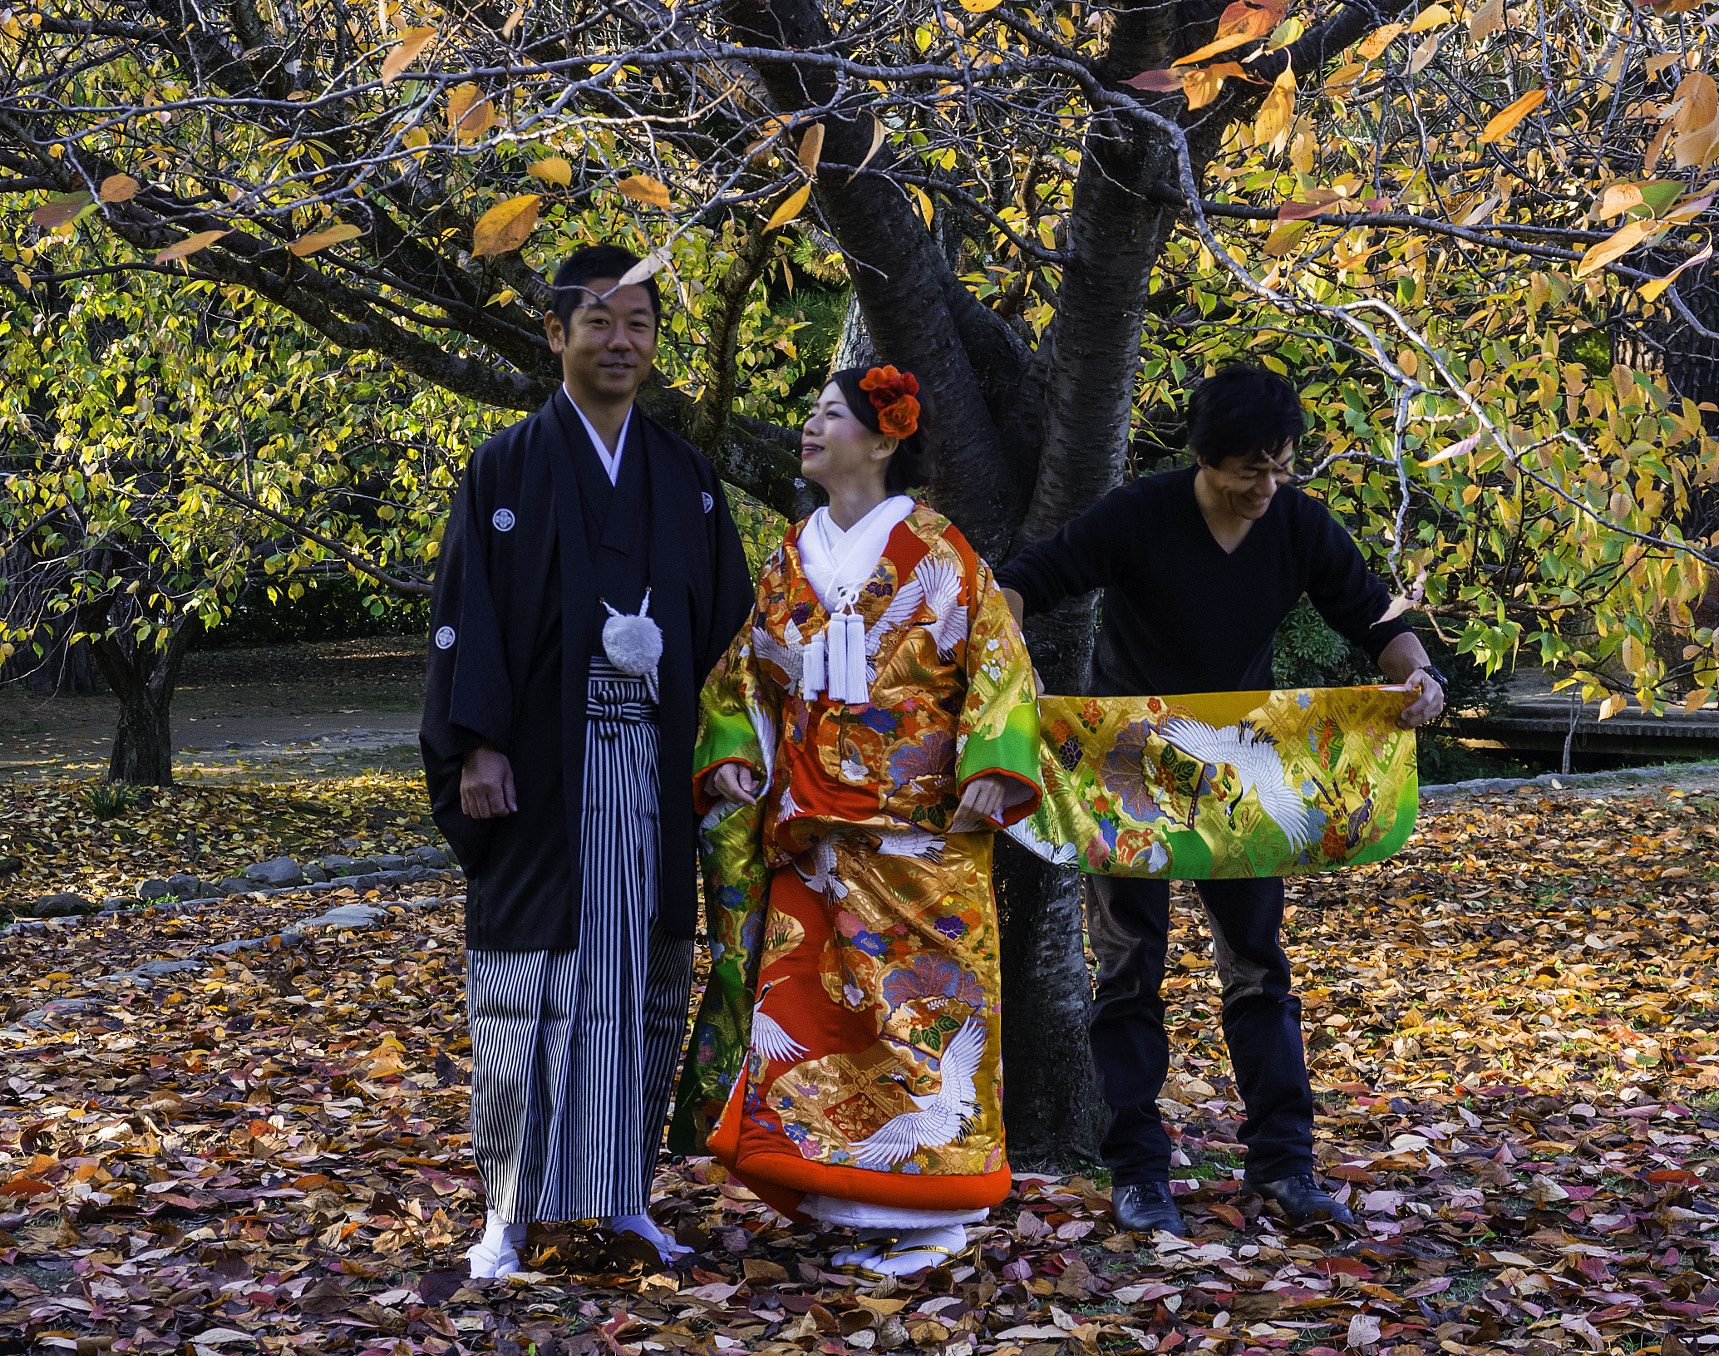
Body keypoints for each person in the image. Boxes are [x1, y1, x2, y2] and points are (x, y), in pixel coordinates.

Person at [995, 364, 1446, 1236]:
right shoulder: (1140, 514)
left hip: (1245, 779)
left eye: (1281, 467)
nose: (1266, 488)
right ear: (1205, 457)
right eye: (1250, 469)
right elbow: (1030, 579)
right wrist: (1001, 646)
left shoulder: (1297, 522)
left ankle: (1285, 1166)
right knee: (1129, 971)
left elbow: (1375, 618)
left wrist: (1418, 675)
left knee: (1258, 967)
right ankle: (1139, 1174)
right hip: (1128, 779)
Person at [421, 243, 753, 1280]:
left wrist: (734, 752)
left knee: (644, 987)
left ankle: (624, 1198)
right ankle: (507, 1215)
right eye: (600, 321)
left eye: (640, 324)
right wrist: (475, 742)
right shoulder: (506, 467)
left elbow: (731, 640)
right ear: (555, 333)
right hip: (539, 775)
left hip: (650, 771)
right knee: (528, 986)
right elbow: (465, 615)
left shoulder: (685, 478)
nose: (621, 341)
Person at [684, 366, 1040, 1278]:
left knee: (920, 1015)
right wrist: (734, 745)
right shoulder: (789, 557)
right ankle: (850, 1194)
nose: (809, 425)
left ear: (883, 442)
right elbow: (746, 676)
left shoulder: (942, 553)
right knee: (810, 1013)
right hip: (812, 831)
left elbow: (1001, 666)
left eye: (831, 415)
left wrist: (993, 767)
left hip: (920, 831)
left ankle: (934, 1215)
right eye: (811, 412)